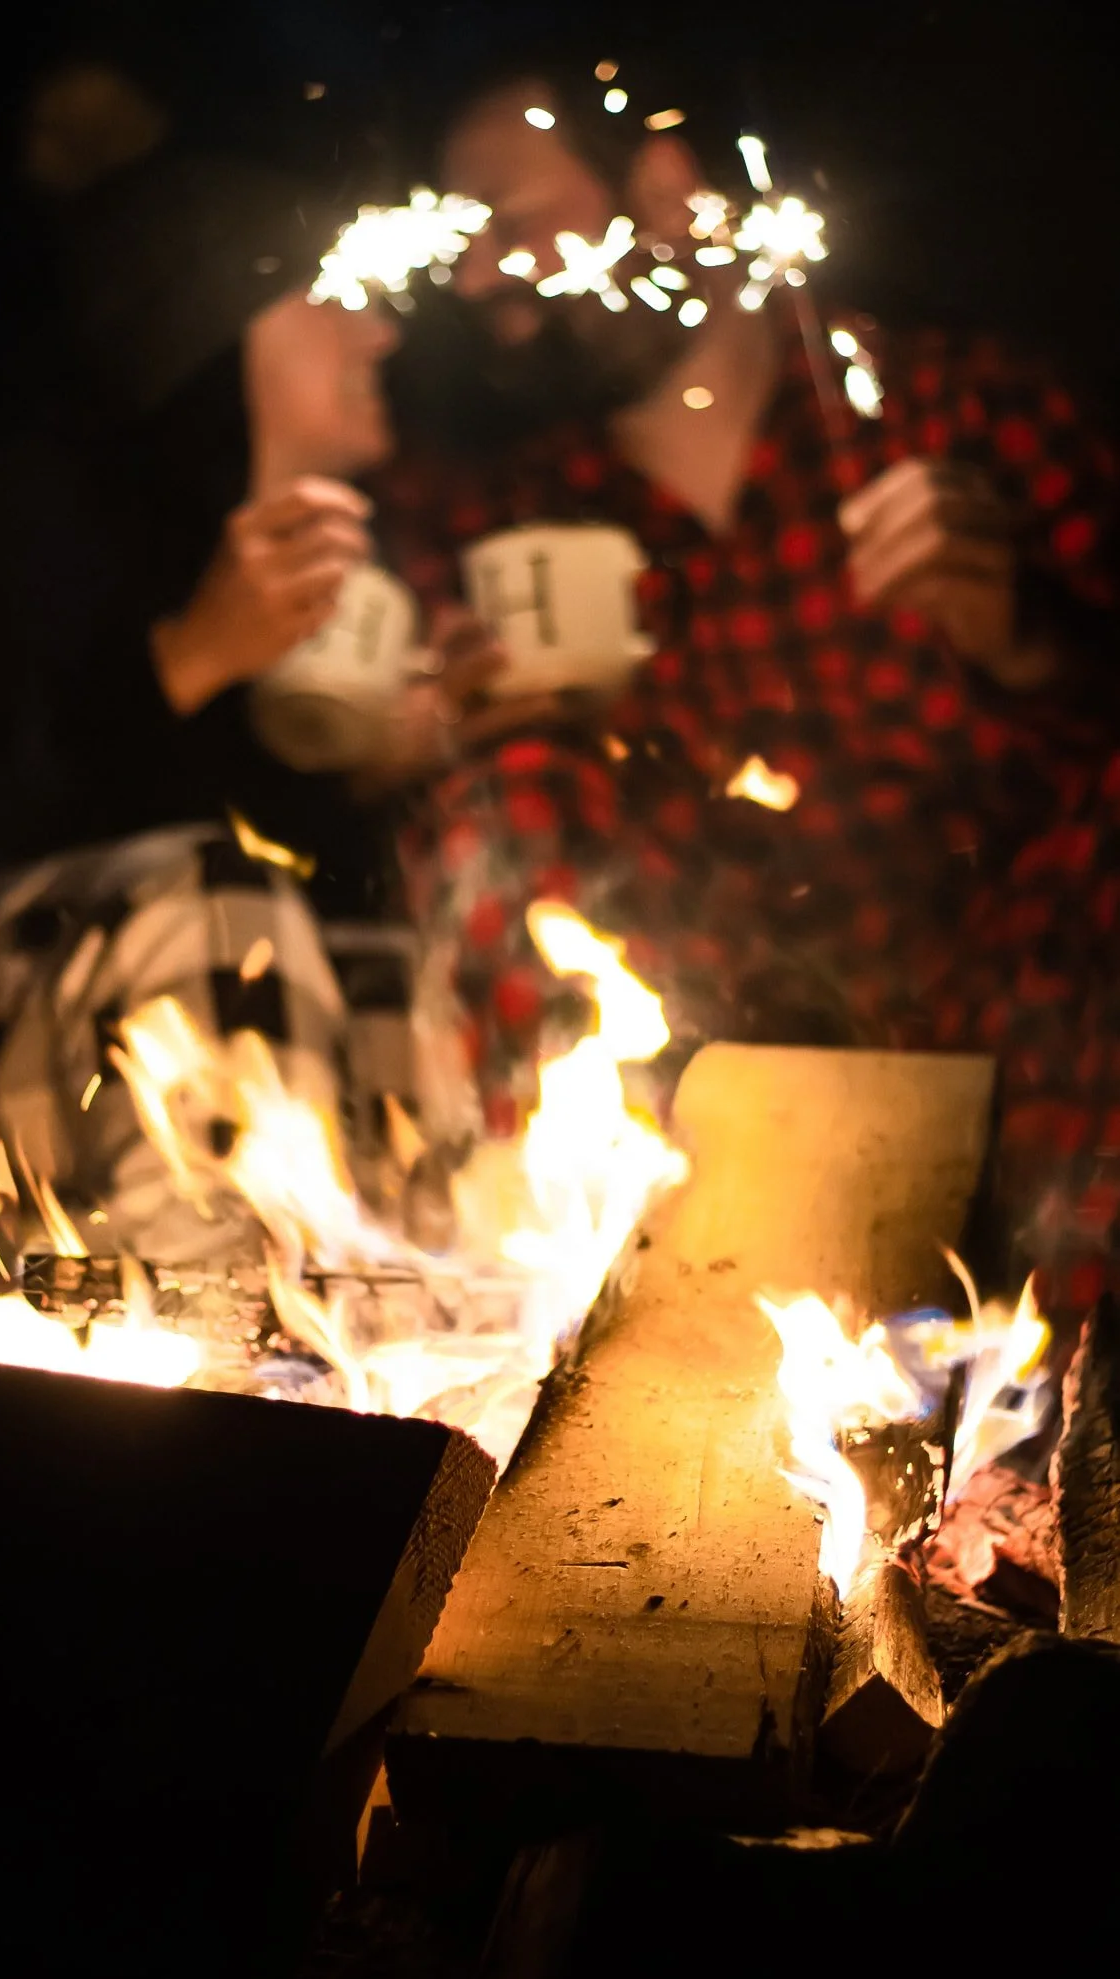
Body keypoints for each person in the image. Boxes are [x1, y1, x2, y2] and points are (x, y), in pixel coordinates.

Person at [374, 66, 1117, 1309]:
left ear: (667, 195)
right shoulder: (508, 521)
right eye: (460, 240)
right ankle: (612, 1332)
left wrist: (1024, 636)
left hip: (1017, 985)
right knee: (502, 797)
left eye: (508, 223)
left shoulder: (956, 412)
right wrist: (415, 725)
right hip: (709, 1039)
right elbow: (321, 705)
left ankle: (1070, 1408)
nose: (476, 276)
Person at [0, 139, 430, 1247]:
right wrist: (181, 661)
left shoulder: (343, 600)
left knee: (392, 989)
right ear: (211, 330)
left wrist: (394, 767)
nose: (384, 332)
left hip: (46, 1068)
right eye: (331, 296)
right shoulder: (28, 525)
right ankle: (247, 1394)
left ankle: (417, 1365)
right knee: (221, 914)